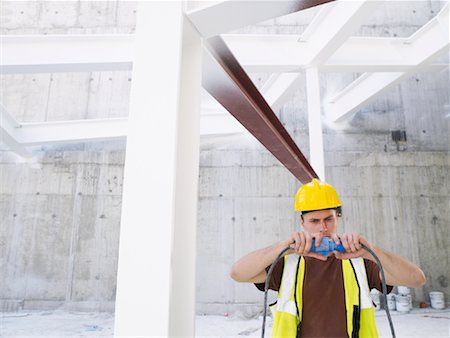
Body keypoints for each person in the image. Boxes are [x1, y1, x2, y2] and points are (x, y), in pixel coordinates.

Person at [230, 179, 426, 338]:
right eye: (314, 221)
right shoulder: (288, 264)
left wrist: (370, 250)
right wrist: (284, 247)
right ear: (302, 223)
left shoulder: (360, 262)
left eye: (328, 219)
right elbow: (237, 273)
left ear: (337, 218)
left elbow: (417, 279)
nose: (322, 227)